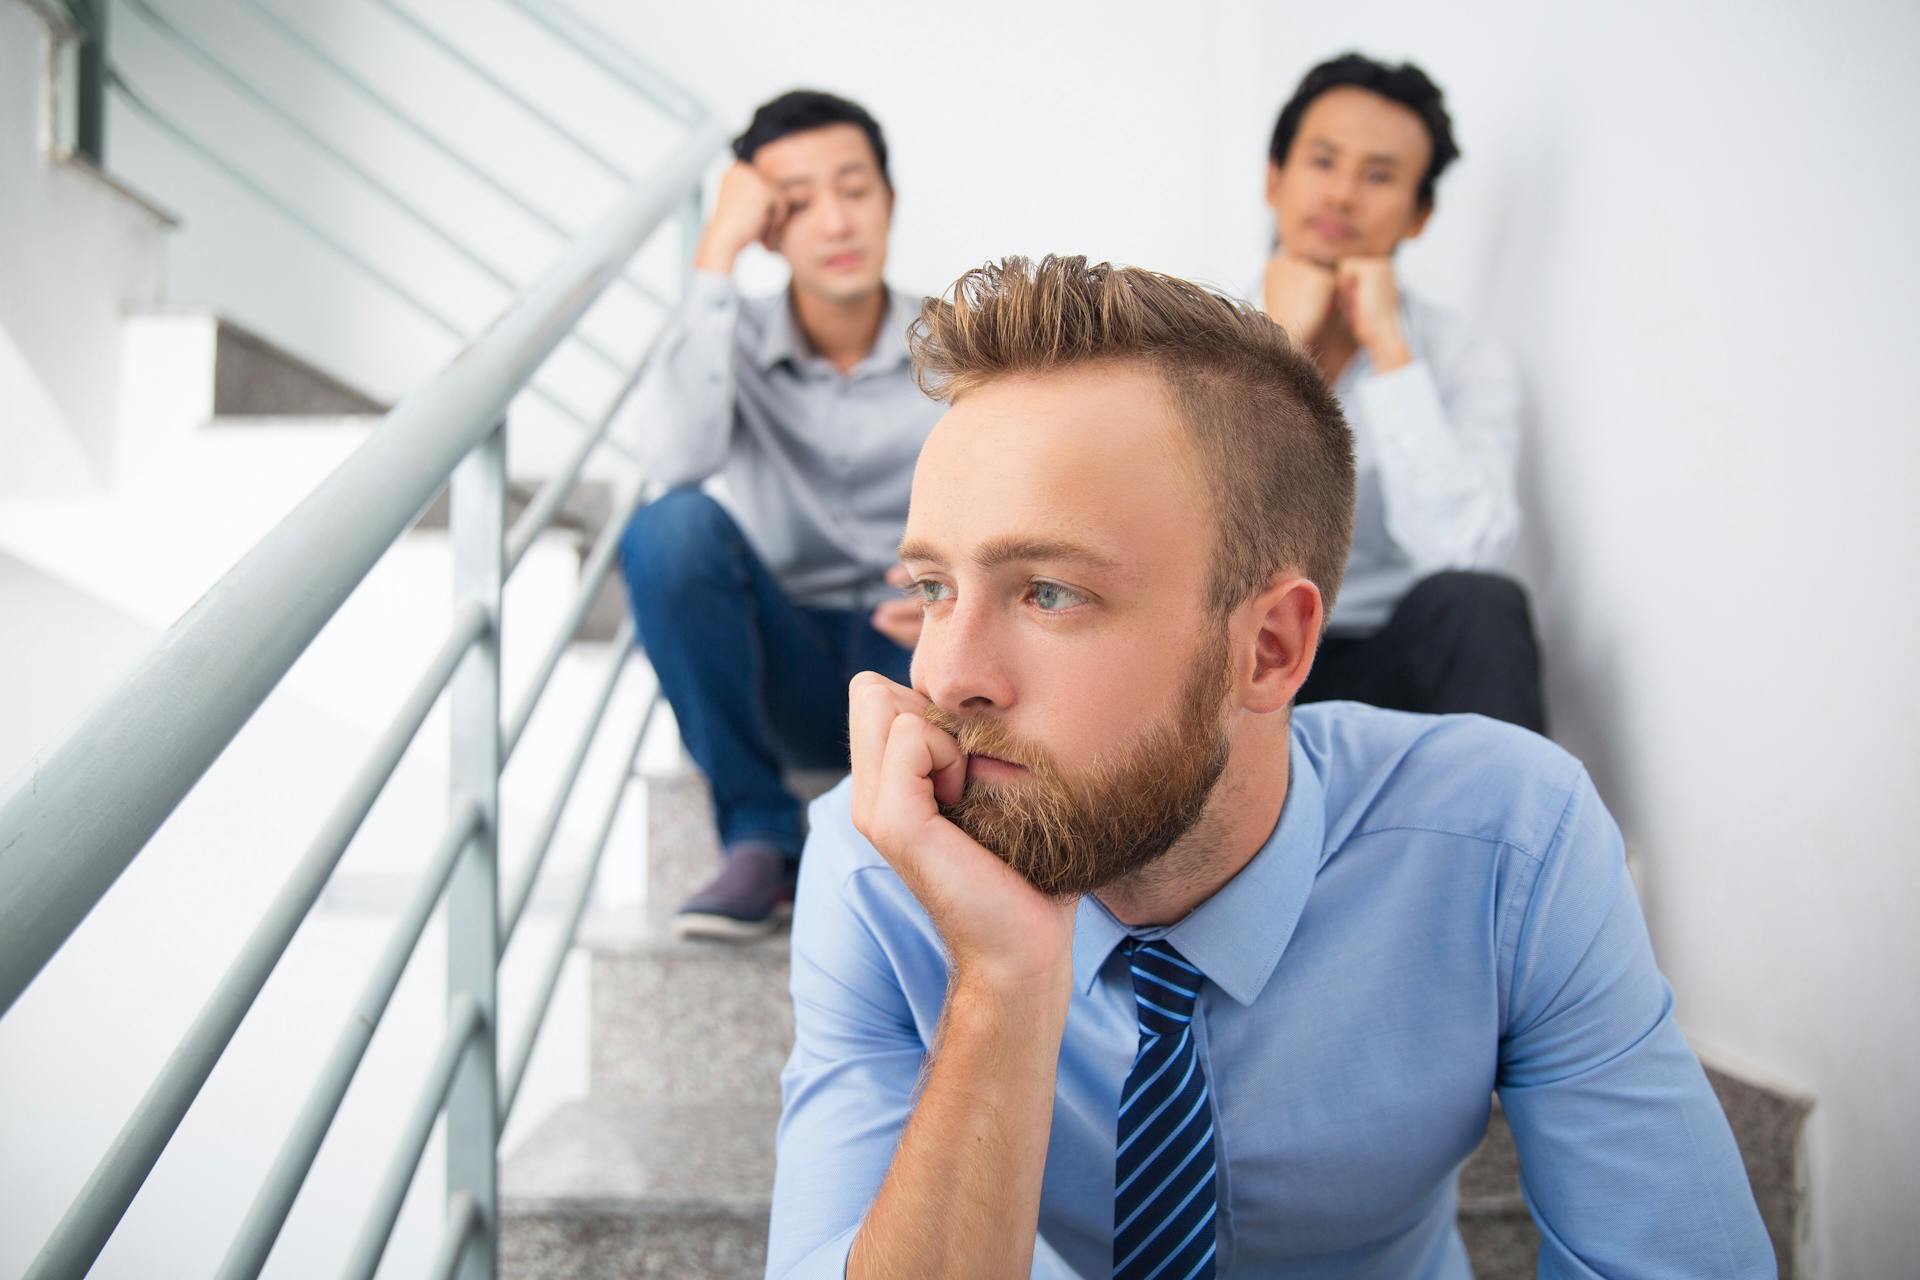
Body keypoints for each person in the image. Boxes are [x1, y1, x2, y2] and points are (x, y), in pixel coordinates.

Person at [766, 256, 1771, 1278]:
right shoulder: (880, 859)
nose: (949, 677)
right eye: (935, 586)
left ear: (1271, 649)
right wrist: (1005, 980)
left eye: (1050, 592)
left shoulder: (1509, 837)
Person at [615, 90, 938, 941]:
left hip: (915, 648)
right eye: (795, 203)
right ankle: (760, 835)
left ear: (890, 201)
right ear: (766, 227)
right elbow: (675, 465)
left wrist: (958, 585)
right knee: (668, 529)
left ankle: (924, 862)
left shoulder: (957, 344)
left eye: (854, 190)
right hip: (786, 656)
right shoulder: (732, 338)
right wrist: (715, 254)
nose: (834, 222)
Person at [1257, 53, 1545, 732]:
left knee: (1481, 602)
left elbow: (1463, 554)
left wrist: (1390, 352)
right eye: (1323, 162)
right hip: (1237, 652)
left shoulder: (1464, 358)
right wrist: (1274, 349)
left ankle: (1522, 836)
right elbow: (1181, 523)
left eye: (1379, 176)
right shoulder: (1188, 330)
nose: (1342, 195)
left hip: (1386, 657)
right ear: (1276, 179)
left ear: (1418, 216)